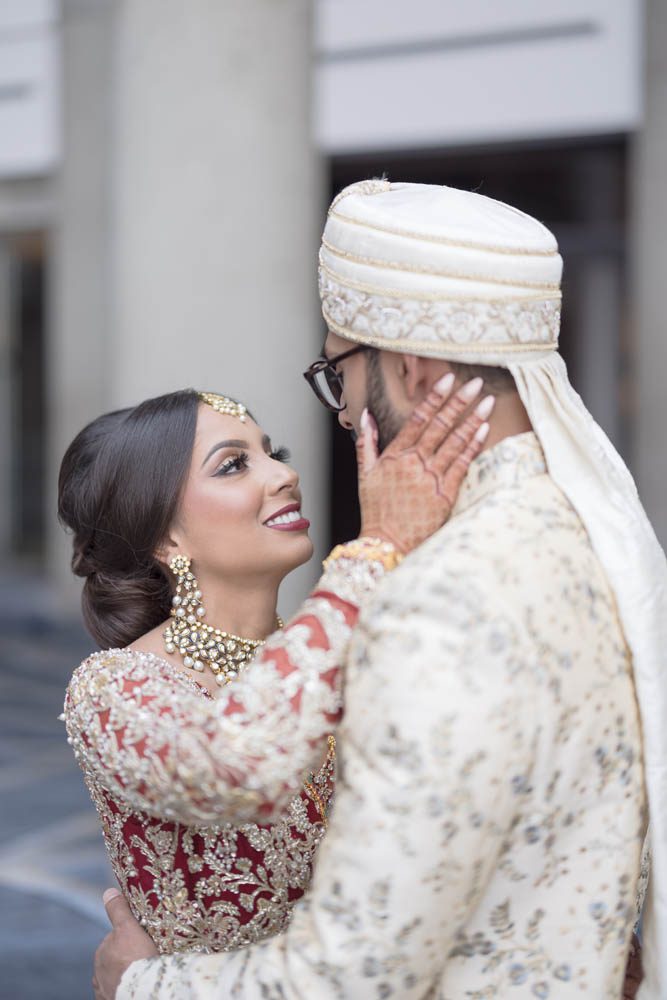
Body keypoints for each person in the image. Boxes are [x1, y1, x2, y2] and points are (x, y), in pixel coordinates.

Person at [94, 181, 666, 999]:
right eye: (233, 463)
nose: (328, 425)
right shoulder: (587, 538)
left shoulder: (433, 601)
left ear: (410, 365)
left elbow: (356, 975)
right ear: (162, 534)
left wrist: (139, 985)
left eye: (338, 372)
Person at [60, 383, 489, 956]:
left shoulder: (346, 651)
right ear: (166, 535)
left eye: (274, 453)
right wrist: (375, 552)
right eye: (234, 465)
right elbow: (223, 770)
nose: (284, 475)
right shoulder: (115, 687)